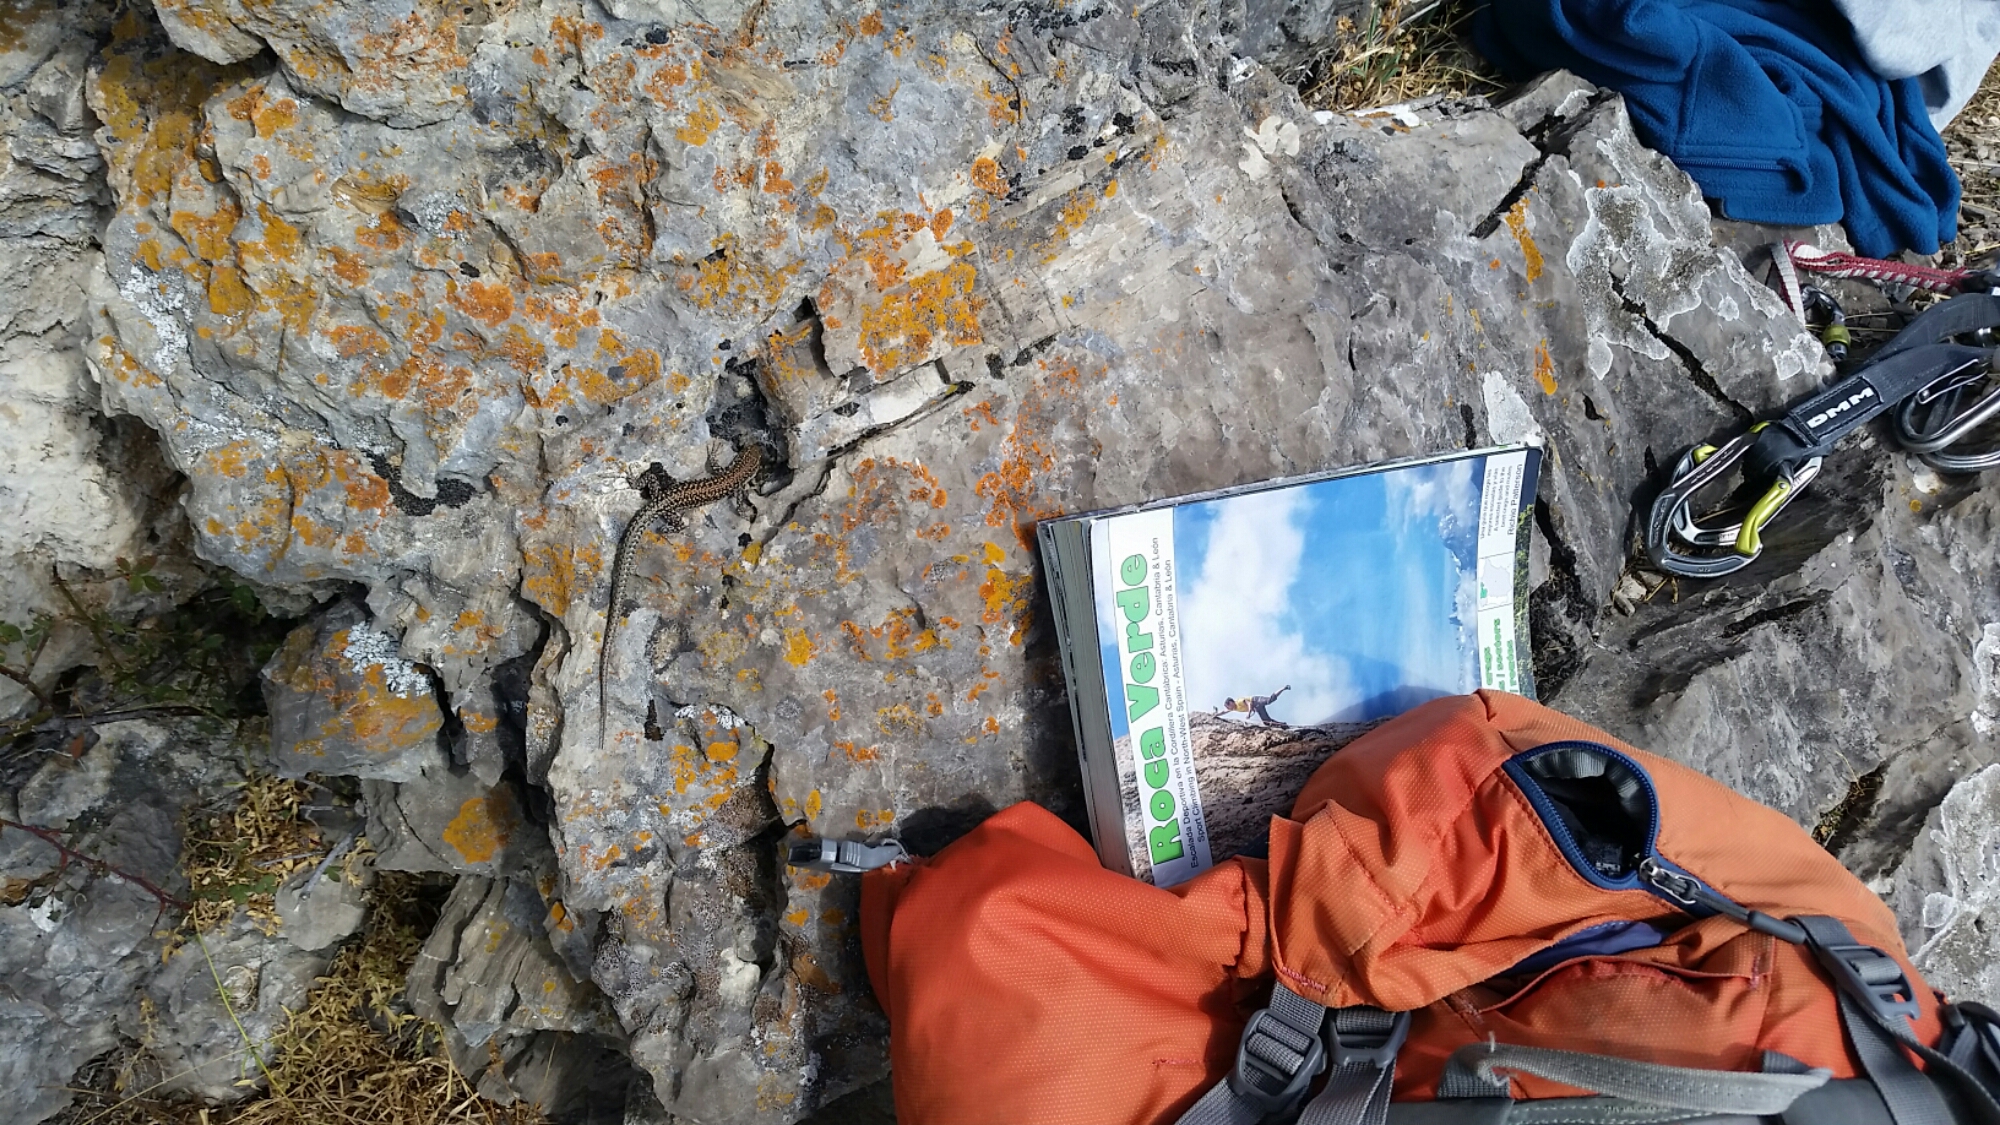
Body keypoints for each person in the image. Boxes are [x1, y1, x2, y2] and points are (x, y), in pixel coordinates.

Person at [1221, 685, 1289, 727]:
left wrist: (1249, 714)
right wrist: (1216, 715)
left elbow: (1249, 704)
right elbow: (1224, 711)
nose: (1228, 708)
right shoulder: (1233, 708)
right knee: (1267, 722)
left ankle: (1283, 688)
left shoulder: (1238, 701)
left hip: (1256, 700)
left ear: (1231, 703)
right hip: (1257, 708)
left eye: (1228, 706)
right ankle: (1283, 725)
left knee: (1269, 700)